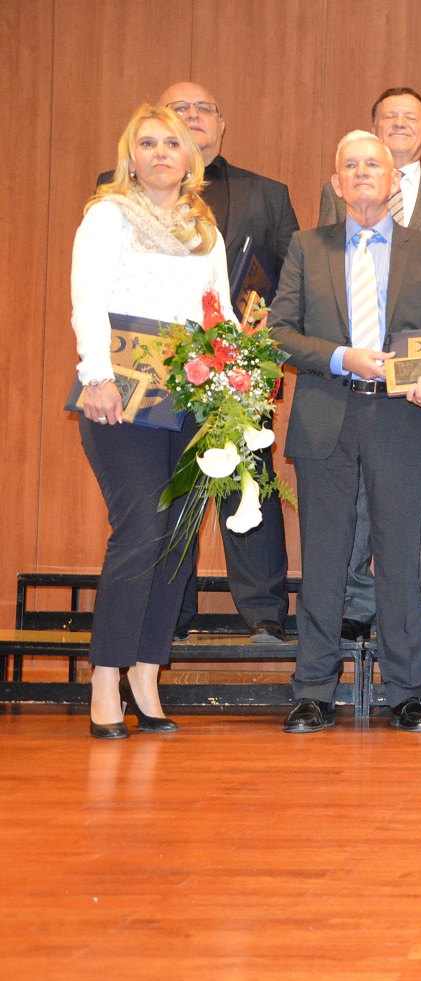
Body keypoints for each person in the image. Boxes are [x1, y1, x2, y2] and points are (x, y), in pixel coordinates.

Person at [270, 131, 421, 734]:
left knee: (401, 561)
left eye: (373, 163)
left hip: (403, 417)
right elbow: (279, 332)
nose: (363, 172)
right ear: (336, 182)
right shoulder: (306, 246)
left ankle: (408, 693)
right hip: (327, 413)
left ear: (394, 178)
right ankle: (313, 691)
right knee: (324, 560)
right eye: (350, 165)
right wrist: (343, 357)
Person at [107, 82, 298, 644]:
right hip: (148, 372)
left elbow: (292, 276)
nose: (192, 117)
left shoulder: (268, 193)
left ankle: (264, 611)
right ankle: (172, 614)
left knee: (248, 479)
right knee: (169, 491)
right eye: (178, 109)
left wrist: (260, 338)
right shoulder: (118, 196)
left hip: (234, 362)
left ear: (221, 124)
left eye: (203, 109)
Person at [72, 104, 235, 738]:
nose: (161, 153)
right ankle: (106, 674)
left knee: (178, 536)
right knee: (141, 528)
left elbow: (219, 311)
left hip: (191, 395)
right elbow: (88, 299)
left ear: (190, 158)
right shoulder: (108, 215)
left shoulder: (204, 228)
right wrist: (96, 376)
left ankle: (146, 671)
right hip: (122, 391)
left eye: (172, 143)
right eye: (148, 143)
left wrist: (232, 388)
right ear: (130, 157)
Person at [318, 87, 421, 644]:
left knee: (412, 503)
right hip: (349, 379)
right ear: (374, 128)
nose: (400, 124)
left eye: (411, 118)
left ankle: (410, 604)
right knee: (354, 498)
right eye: (389, 117)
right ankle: (357, 602)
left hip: (417, 381)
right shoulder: (338, 190)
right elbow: (325, 283)